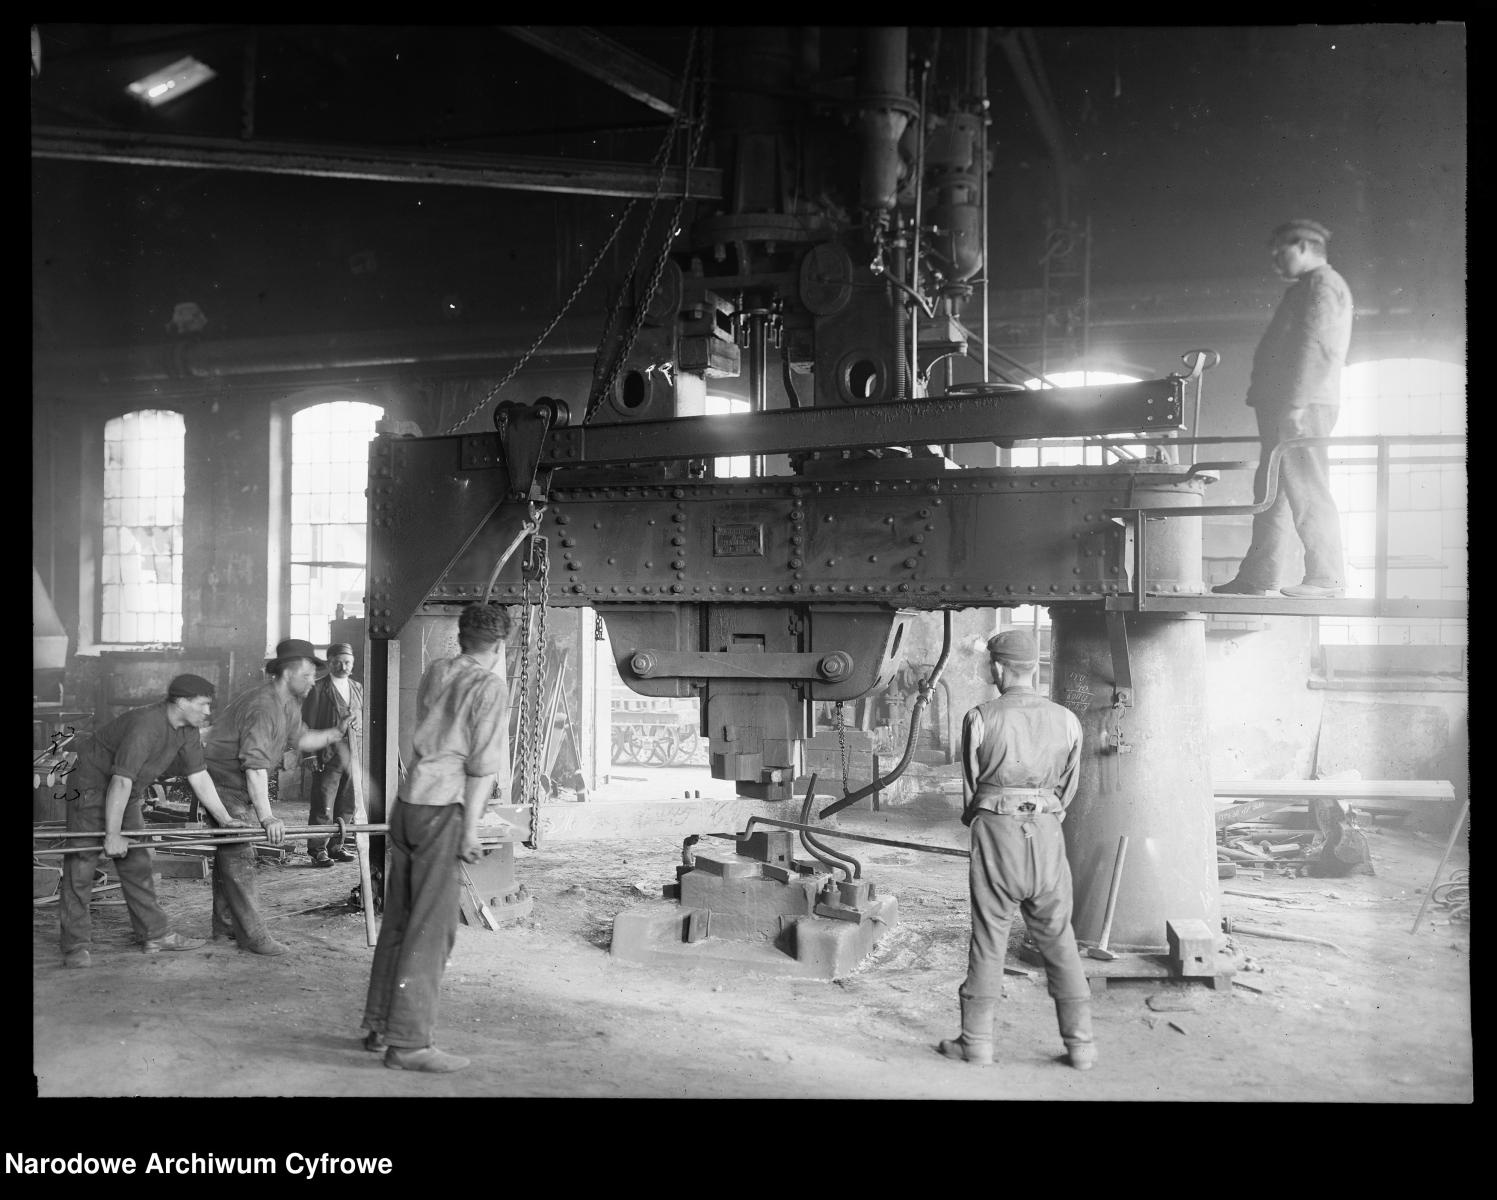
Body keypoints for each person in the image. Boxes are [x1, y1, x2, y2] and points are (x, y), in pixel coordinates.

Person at [361, 602, 512, 1073]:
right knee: (431, 931)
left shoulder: (437, 670)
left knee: (401, 921)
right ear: (501, 644)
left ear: (461, 636)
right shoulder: (490, 686)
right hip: (441, 811)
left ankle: (381, 1026)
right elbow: (483, 767)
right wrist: (469, 831)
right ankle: (408, 1044)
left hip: (407, 806)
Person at [938, 629, 1096, 1070]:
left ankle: (977, 1044)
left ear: (1000, 668)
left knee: (990, 938)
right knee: (1060, 939)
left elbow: (972, 787)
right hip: (1046, 831)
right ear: (1034, 667)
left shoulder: (980, 717)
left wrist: (990, 818)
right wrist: (1042, 814)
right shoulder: (1067, 719)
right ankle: (1081, 1046)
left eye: (991, 664)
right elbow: (1069, 788)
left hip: (996, 830)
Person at [58, 674, 247, 968]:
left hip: (127, 792)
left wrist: (225, 819)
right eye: (204, 704)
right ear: (182, 702)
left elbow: (199, 776)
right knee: (81, 863)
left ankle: (155, 935)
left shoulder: (187, 730)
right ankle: (75, 945)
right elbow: (119, 780)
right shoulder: (146, 725)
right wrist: (112, 835)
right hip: (92, 787)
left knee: (138, 862)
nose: (208, 712)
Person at [1213, 218, 1353, 599]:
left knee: (1308, 486)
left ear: (1305, 247)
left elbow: (1316, 349)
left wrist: (1295, 404)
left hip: (1302, 405)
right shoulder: (1307, 287)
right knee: (1272, 490)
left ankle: (1327, 578)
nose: (1275, 260)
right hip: (1289, 405)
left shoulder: (1323, 285)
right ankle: (1259, 576)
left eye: (1281, 251)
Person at [201, 639, 353, 956]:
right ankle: (253, 936)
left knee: (230, 851)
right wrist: (267, 816)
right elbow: (255, 768)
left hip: (238, 780)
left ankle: (226, 926)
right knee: (239, 850)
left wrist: (336, 732)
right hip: (222, 783)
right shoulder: (264, 706)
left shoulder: (287, 704)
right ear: (289, 672)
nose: (314, 680)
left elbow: (303, 738)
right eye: (309, 674)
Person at [301, 642, 363, 868]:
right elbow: (307, 724)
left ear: (353, 664)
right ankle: (317, 849)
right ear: (329, 663)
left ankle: (336, 846)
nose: (343, 666)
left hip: (353, 755)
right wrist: (309, 755)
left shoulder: (358, 688)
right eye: (338, 661)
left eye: (347, 662)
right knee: (323, 802)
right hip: (327, 755)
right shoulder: (318, 689)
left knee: (348, 802)